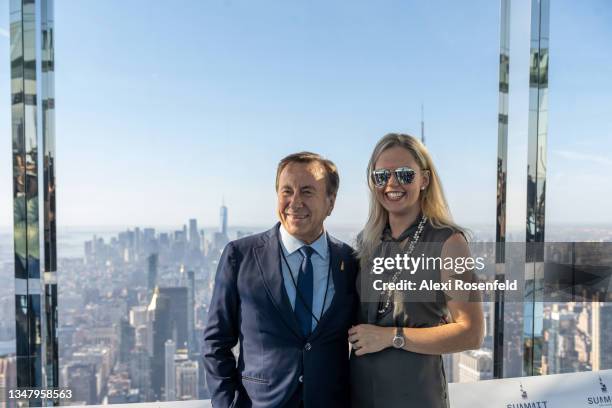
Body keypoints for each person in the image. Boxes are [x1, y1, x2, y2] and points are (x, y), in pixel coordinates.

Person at [203, 152, 358, 408]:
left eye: (307, 192)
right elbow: (215, 343)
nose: (294, 203)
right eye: (287, 191)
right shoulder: (240, 256)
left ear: (330, 202)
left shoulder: (350, 262)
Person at [349, 133, 484, 408]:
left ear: (424, 179)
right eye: (381, 176)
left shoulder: (449, 243)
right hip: (360, 394)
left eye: (404, 175)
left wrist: (391, 337)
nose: (392, 184)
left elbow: (472, 332)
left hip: (416, 396)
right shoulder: (367, 242)